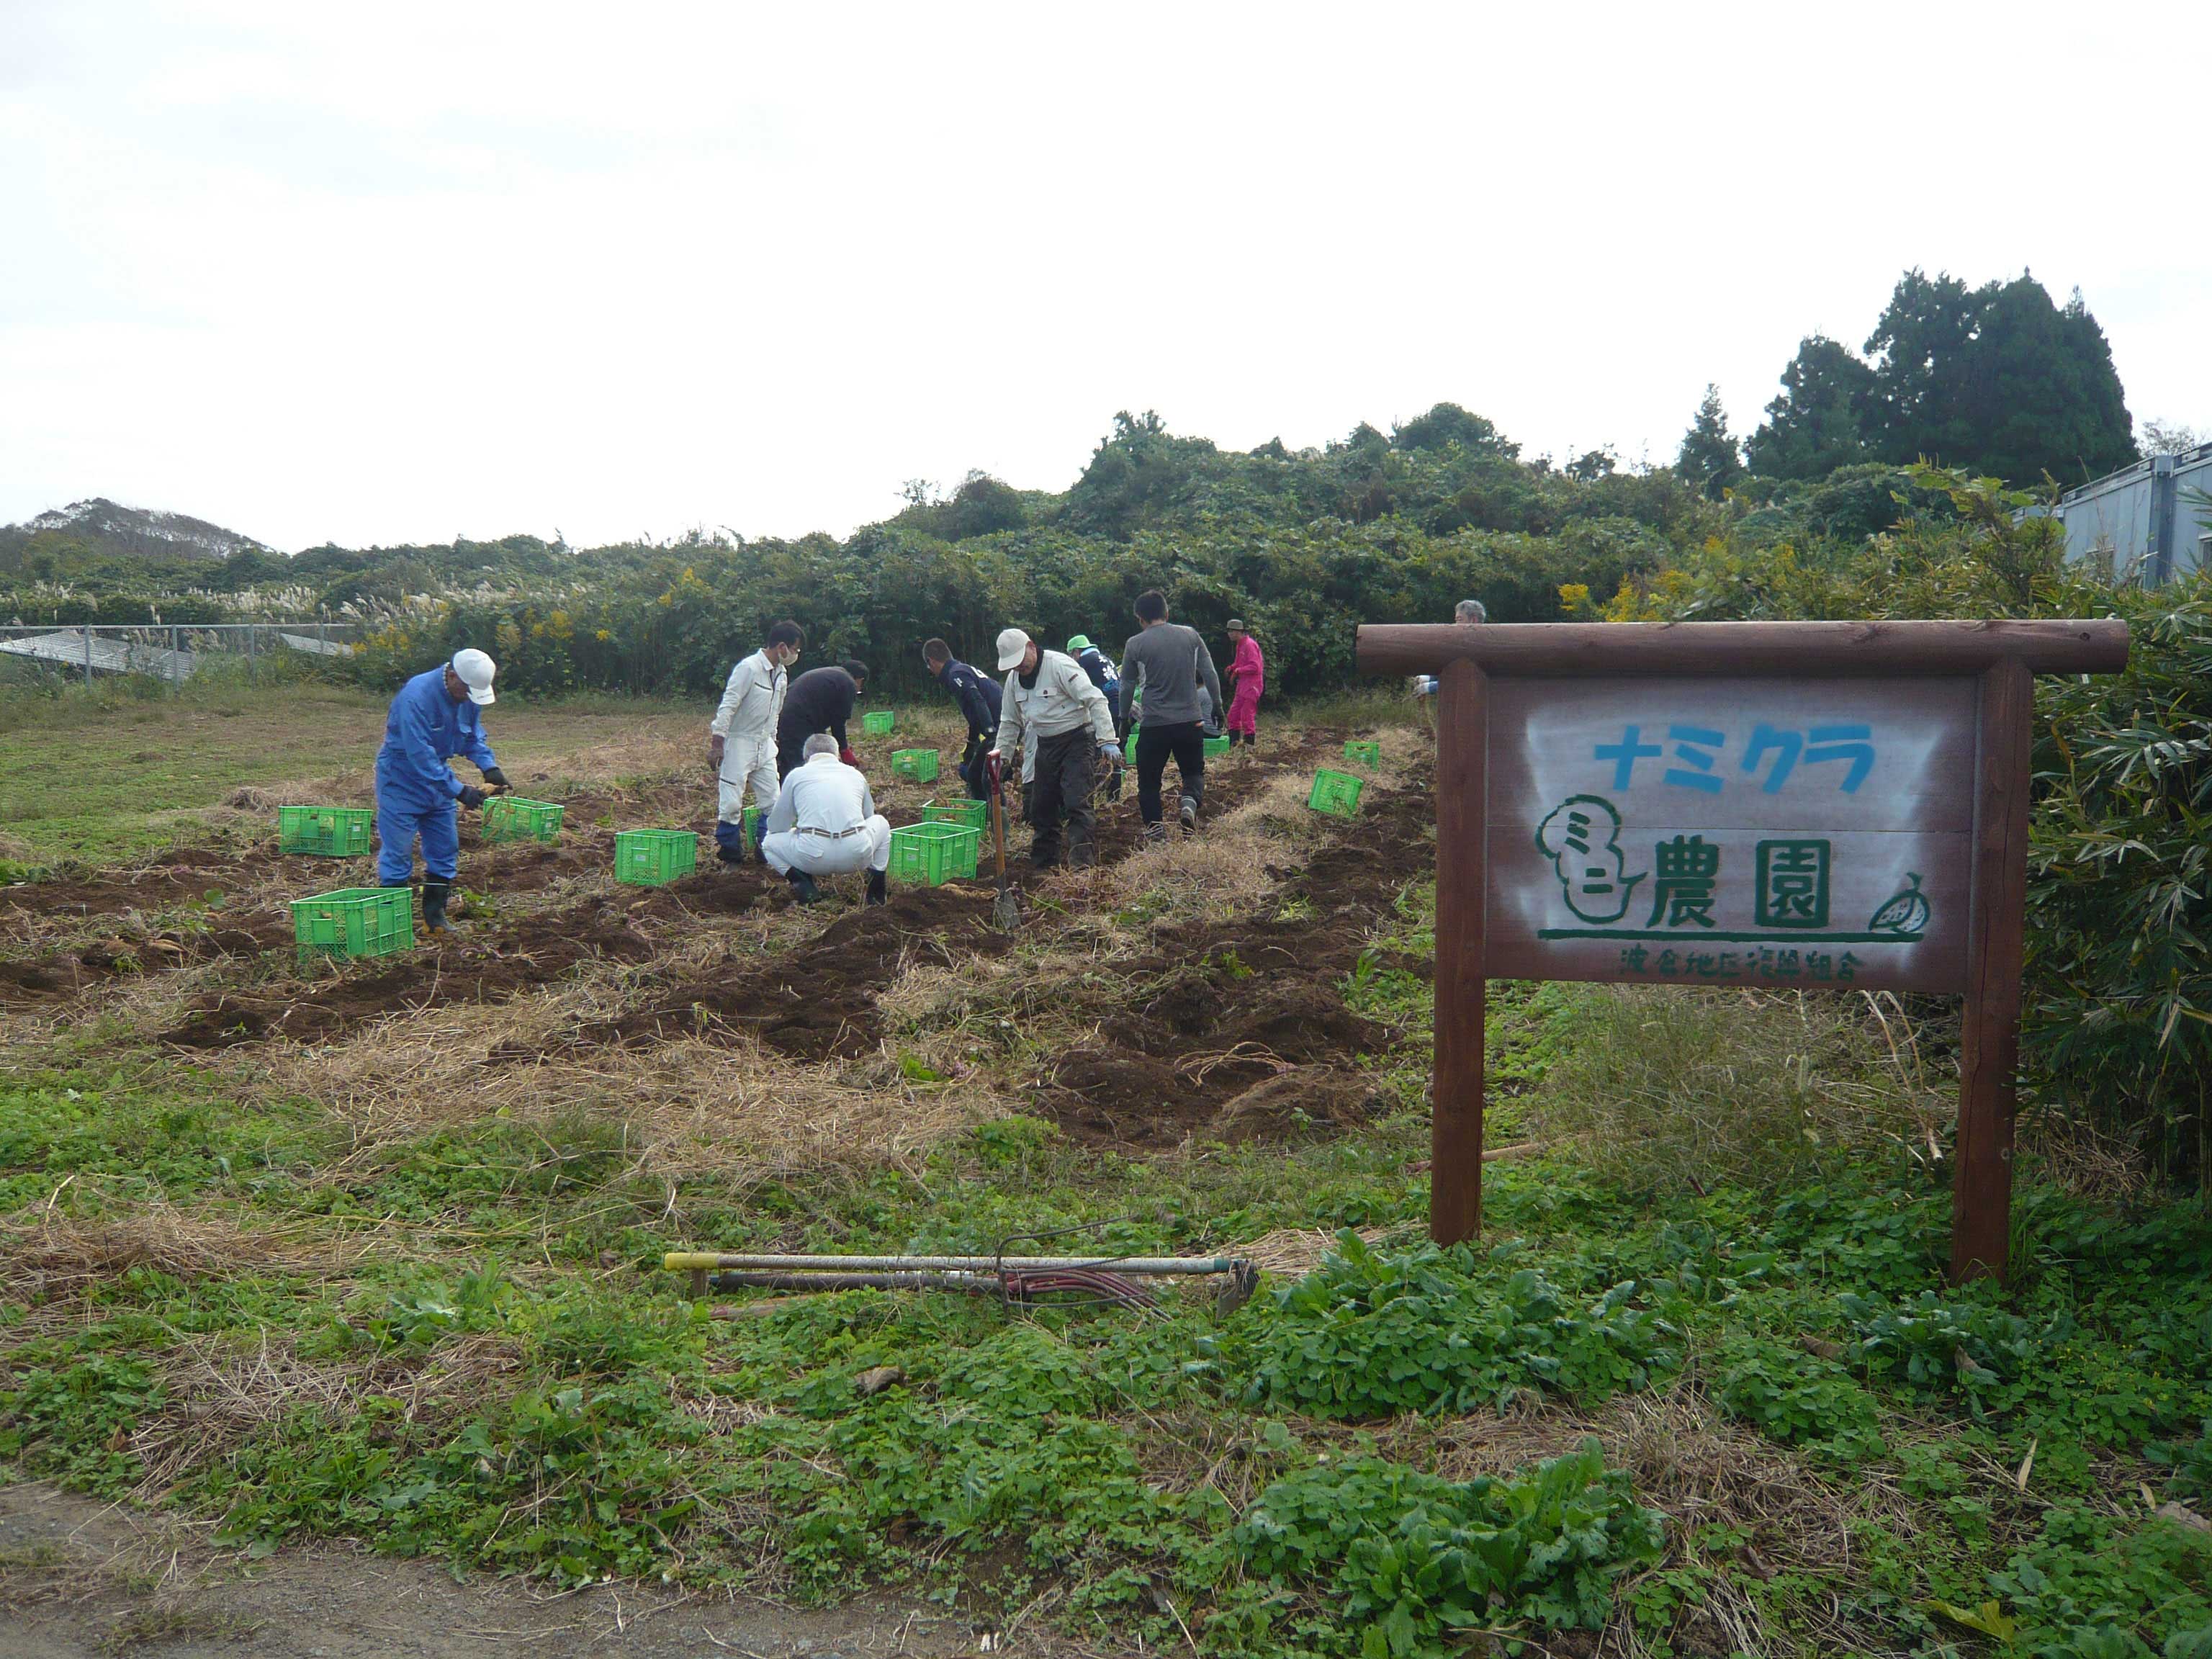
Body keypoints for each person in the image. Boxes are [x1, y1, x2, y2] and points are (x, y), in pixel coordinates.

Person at [374, 647, 508, 935]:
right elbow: (420, 755)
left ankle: (434, 921)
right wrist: (459, 791)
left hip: (439, 782)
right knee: (397, 854)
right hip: (401, 780)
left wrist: (489, 767)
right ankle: (391, 928)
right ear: (452, 675)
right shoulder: (416, 697)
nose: (469, 698)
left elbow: (472, 735)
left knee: (445, 849)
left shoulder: (467, 694)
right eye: (467, 690)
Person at [989, 627, 1118, 869]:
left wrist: (1107, 739)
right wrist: (1003, 759)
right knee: (1041, 806)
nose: (1019, 668)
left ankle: (1081, 865)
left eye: (1020, 661)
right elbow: (1009, 721)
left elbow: (1096, 699)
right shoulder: (1013, 681)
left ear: (1031, 646)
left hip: (1077, 740)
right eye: (1013, 664)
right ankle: (1043, 865)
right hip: (1045, 743)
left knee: (1076, 801)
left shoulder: (1059, 665)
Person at [1119, 590, 1224, 845]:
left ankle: (1156, 833)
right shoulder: (1190, 635)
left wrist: (1124, 719)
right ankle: (1188, 803)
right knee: (1193, 772)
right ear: (1167, 613)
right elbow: (1209, 673)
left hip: (1154, 724)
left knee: (1149, 781)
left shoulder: (1135, 643)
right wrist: (1218, 705)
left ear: (1140, 618)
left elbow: (1126, 686)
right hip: (1190, 720)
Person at [709, 620, 803, 864]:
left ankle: (766, 851)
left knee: (773, 801)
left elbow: (775, 714)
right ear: (781, 646)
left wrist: (773, 743)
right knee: (731, 803)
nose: (795, 654)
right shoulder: (748, 668)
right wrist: (717, 742)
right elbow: (729, 704)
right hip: (740, 743)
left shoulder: (782, 674)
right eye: (794, 649)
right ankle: (731, 856)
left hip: (765, 745)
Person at [759, 734, 890, 906]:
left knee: (768, 842)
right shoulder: (855, 775)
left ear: (806, 758)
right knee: (882, 823)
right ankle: (876, 891)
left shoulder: (796, 775)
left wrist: (798, 831)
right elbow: (869, 816)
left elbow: (778, 825)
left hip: (812, 858)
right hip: (856, 856)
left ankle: (804, 885)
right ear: (836, 755)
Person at [922, 637, 1001, 800]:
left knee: (985, 777)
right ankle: (984, 814)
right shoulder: (960, 669)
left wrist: (990, 732)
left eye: (928, 666)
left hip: (1001, 725)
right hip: (999, 723)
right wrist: (972, 744)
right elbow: (974, 715)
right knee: (972, 773)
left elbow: (976, 699)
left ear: (931, 661)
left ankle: (997, 818)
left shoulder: (955, 674)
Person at [775, 660, 868, 779]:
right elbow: (838, 723)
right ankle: (802, 791)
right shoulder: (848, 683)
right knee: (799, 764)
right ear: (860, 680)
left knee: (792, 760)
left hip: (785, 714)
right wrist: (844, 750)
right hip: (799, 720)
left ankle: (786, 791)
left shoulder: (833, 676)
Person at [1224, 618, 1264, 750]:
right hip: (1242, 685)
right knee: (1233, 715)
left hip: (1252, 685)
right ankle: (1234, 745)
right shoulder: (1240, 645)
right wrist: (1231, 667)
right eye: (1229, 631)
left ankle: (1249, 747)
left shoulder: (1249, 645)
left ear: (1239, 632)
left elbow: (1256, 667)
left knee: (1247, 716)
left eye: (1232, 631)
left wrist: (1238, 670)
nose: (1230, 634)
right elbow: (1239, 663)